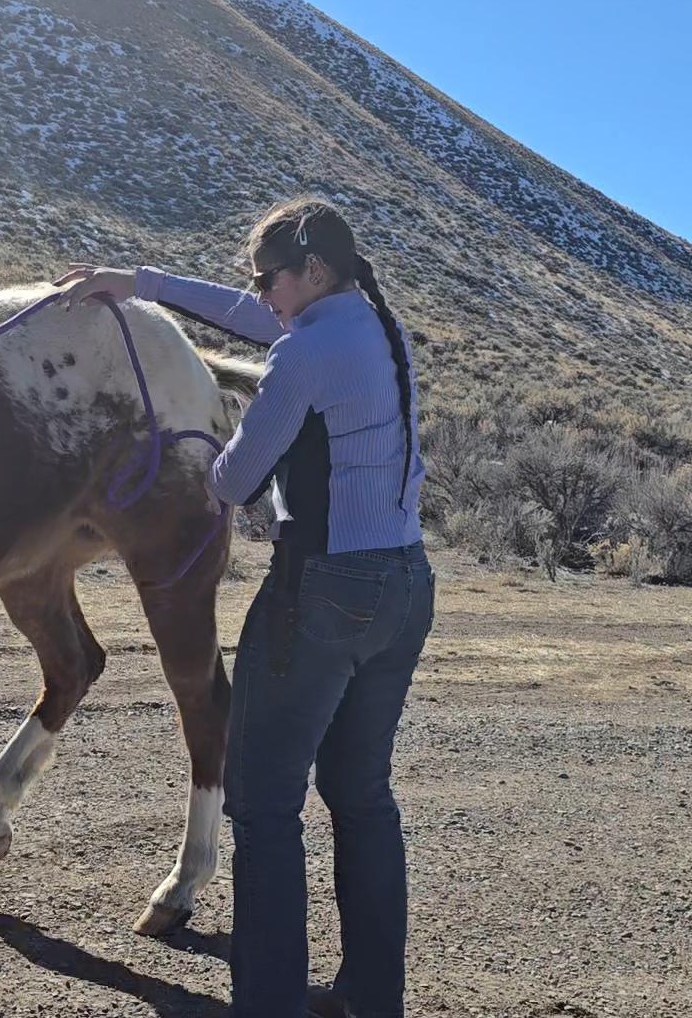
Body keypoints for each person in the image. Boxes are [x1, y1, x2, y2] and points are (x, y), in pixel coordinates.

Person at [57, 196, 435, 1018]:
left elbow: (235, 482)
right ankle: (373, 999)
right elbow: (246, 317)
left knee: (263, 805)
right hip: (406, 584)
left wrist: (204, 442)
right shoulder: (372, 325)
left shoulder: (302, 357)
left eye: (270, 280)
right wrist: (140, 283)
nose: (261, 295)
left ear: (314, 272)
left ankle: (267, 1004)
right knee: (361, 792)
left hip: (323, 594)